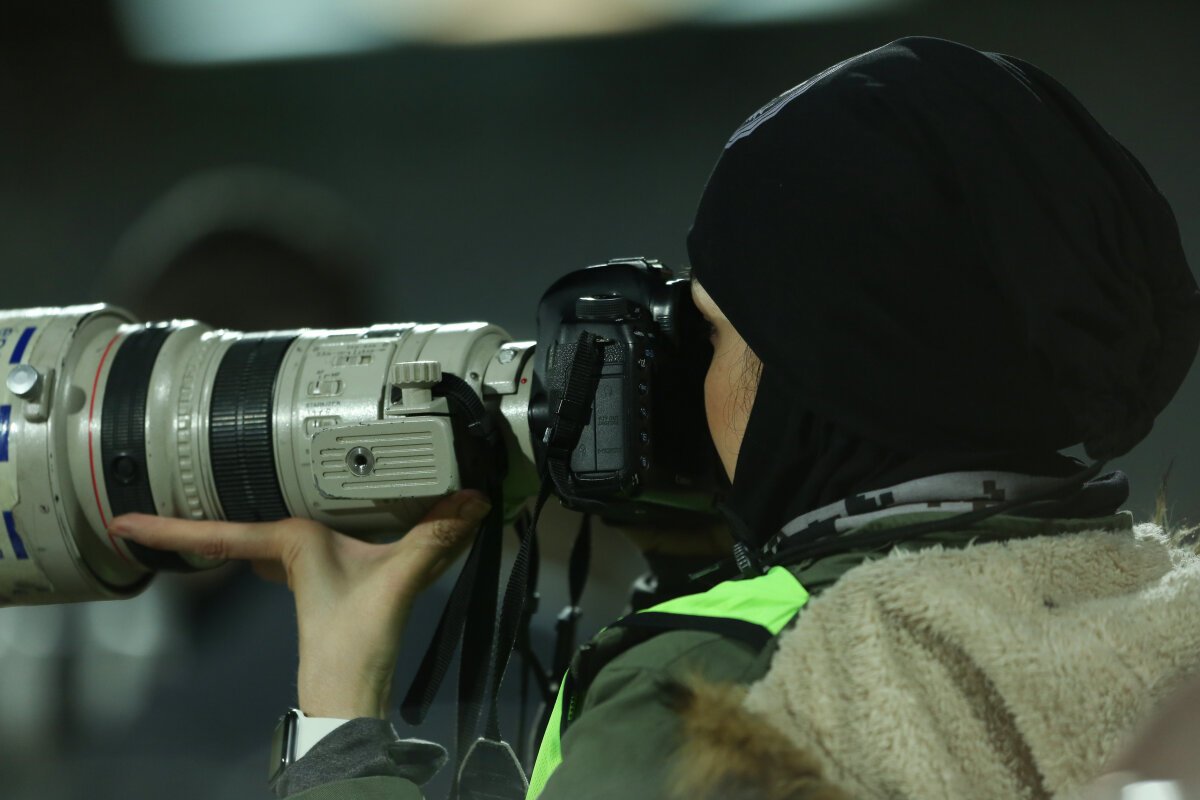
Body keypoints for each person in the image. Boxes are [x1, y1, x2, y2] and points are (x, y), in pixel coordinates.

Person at [108, 37, 1200, 800]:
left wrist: (341, 724)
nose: (675, 369)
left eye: (710, 330)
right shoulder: (1154, 615)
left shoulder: (718, 698)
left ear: (819, 375)